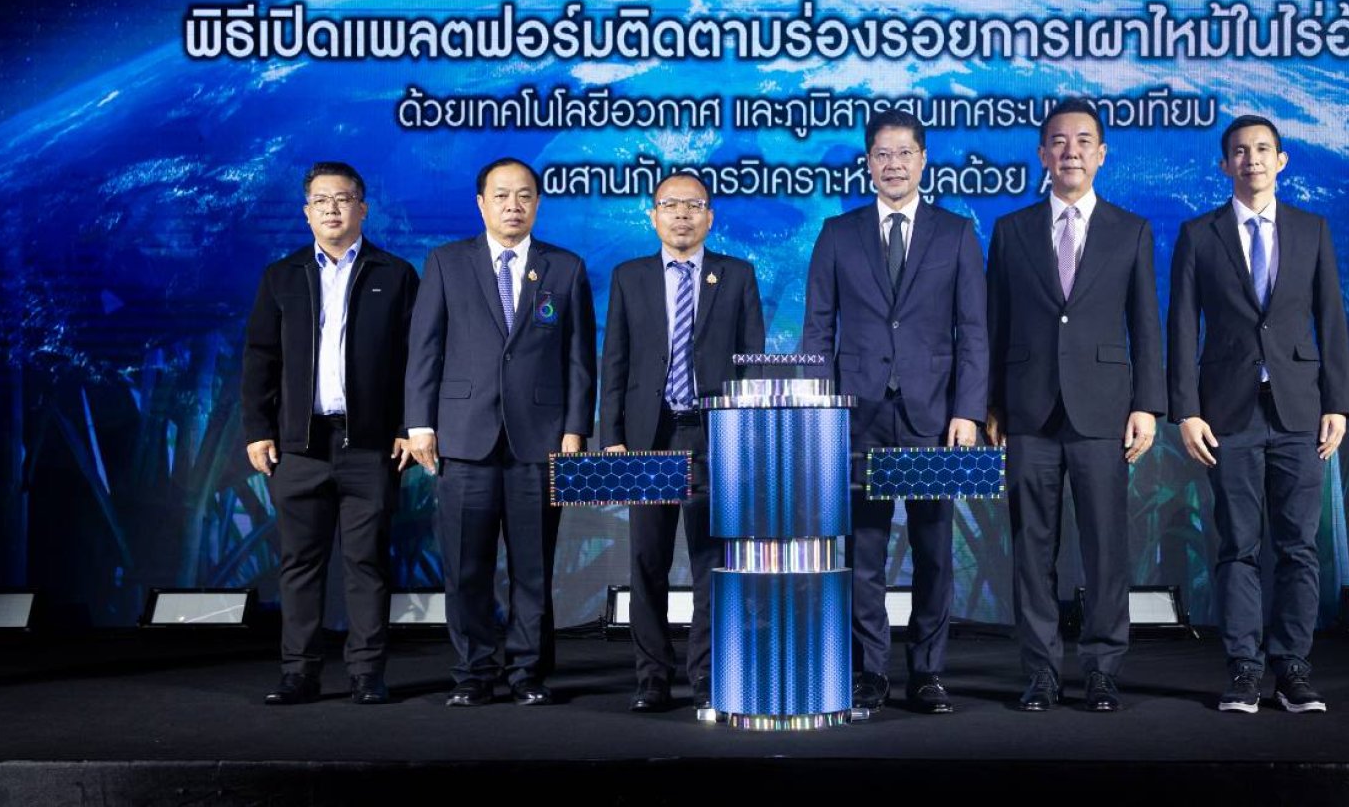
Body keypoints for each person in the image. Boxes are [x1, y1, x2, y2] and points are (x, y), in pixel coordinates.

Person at [1167, 114, 1349, 714]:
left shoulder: (1312, 229)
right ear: (1225, 165)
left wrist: (1338, 402)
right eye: (1241, 151)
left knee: (1299, 547)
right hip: (1228, 413)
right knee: (1237, 546)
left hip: (1301, 410)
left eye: (1263, 149)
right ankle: (1244, 670)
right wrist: (1186, 411)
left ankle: (1292, 668)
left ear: (1282, 161)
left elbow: (1331, 319)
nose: (1252, 159)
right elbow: (1180, 328)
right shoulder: (1199, 234)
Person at [801, 110, 988, 714]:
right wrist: (822, 411)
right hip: (857, 416)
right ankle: (869, 671)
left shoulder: (956, 233)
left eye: (904, 153)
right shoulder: (837, 233)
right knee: (864, 551)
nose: (894, 165)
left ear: (923, 160)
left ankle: (928, 672)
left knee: (934, 550)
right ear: (868, 163)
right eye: (882, 154)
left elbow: (973, 331)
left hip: (934, 416)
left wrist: (968, 411)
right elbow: (817, 331)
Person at [985, 99, 1163, 713]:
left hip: (1104, 411)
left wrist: (1148, 404)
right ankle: (1040, 672)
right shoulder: (1010, 230)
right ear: (1042, 154)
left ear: (1102, 154)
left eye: (1084, 141)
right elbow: (994, 322)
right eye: (1059, 141)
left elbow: (1146, 324)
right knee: (1031, 547)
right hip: (1027, 412)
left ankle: (1103, 669)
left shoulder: (1131, 230)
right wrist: (991, 403)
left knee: (1105, 547)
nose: (1071, 152)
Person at [404, 157, 596, 707]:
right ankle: (473, 673)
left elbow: (580, 358)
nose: (514, 205)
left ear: (537, 203)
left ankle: (526, 673)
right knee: (467, 567)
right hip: (464, 437)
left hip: (540, 439)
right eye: (502, 195)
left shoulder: (565, 267)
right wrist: (420, 423)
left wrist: (575, 429)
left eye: (525, 195)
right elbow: (425, 348)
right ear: (481, 203)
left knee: (533, 567)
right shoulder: (446, 262)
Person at [241, 162, 419, 706]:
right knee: (299, 564)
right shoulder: (282, 275)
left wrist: (408, 426)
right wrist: (258, 429)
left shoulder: (396, 274)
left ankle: (367, 673)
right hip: (300, 446)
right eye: (321, 201)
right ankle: (299, 672)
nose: (332, 209)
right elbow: (260, 358)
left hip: (370, 445)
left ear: (363, 208)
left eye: (342, 199)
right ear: (306, 213)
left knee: (367, 563)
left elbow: (416, 360)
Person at [601, 173, 765, 712]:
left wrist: (745, 434)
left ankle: (708, 676)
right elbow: (615, 362)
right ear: (653, 216)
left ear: (709, 217)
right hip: (649, 436)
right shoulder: (629, 277)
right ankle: (651, 677)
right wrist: (612, 437)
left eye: (693, 206)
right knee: (646, 561)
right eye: (670, 205)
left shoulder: (736, 275)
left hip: (713, 434)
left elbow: (751, 362)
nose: (682, 215)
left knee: (710, 562)